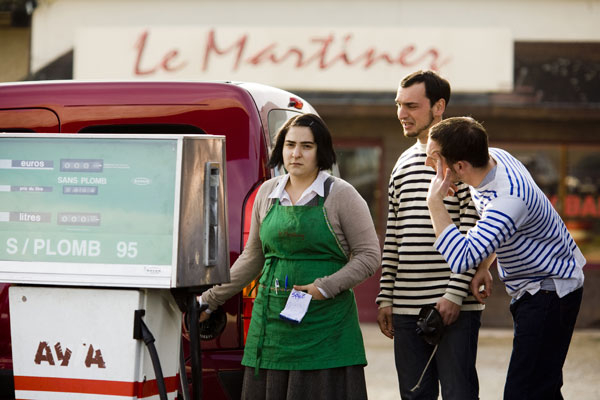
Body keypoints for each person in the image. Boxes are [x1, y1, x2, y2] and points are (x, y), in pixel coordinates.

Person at [198, 113, 381, 400]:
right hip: (271, 326)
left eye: (306, 146)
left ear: (321, 151)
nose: (296, 153)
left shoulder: (342, 194)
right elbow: (253, 257)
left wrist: (324, 288)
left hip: (326, 327)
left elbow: (369, 256)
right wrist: (209, 299)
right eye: (290, 144)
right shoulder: (267, 193)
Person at [426, 116, 585, 399]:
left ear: (460, 166)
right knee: (542, 387)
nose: (428, 166)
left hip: (549, 290)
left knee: (523, 392)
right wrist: (485, 264)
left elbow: (461, 258)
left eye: (434, 159)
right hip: (540, 288)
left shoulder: (509, 198)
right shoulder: (493, 158)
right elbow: (499, 230)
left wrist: (435, 204)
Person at [376, 70, 492, 399]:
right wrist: (386, 297)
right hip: (405, 306)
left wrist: (455, 294)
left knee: (459, 393)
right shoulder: (401, 163)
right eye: (399, 104)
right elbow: (394, 234)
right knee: (414, 395)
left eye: (411, 105)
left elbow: (477, 231)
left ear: (439, 106)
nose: (401, 113)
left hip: (455, 305)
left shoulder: (465, 158)